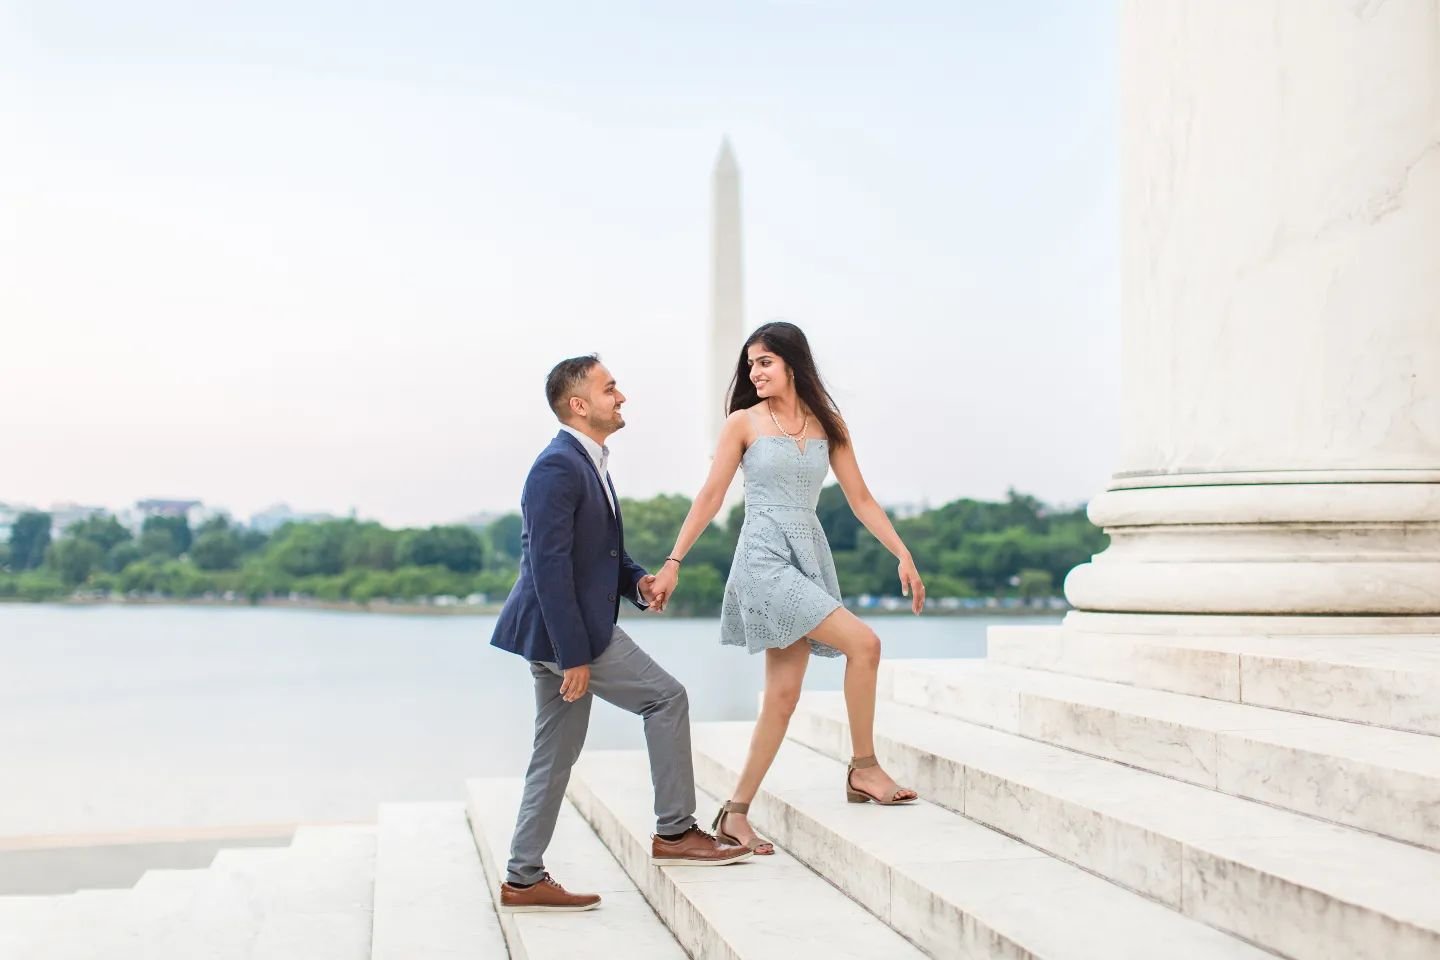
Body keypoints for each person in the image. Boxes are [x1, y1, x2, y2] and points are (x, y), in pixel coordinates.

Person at [649, 322, 924, 856]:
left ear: (792, 364)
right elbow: (710, 496)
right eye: (750, 364)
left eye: (765, 362)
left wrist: (903, 553)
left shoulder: (828, 423)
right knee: (864, 644)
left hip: (808, 552)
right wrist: (674, 561)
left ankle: (734, 813)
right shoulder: (743, 423)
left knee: (781, 696)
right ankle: (864, 768)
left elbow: (861, 498)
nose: (754, 372)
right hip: (763, 558)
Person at [491, 354, 751, 914]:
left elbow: (598, 552)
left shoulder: (589, 461)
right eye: (611, 389)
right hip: (570, 634)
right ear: (579, 405)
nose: (622, 397)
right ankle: (677, 833)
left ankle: (522, 877)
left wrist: (639, 582)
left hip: (560, 634)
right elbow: (549, 568)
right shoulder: (557, 467)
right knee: (666, 697)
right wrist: (574, 655)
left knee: (553, 755)